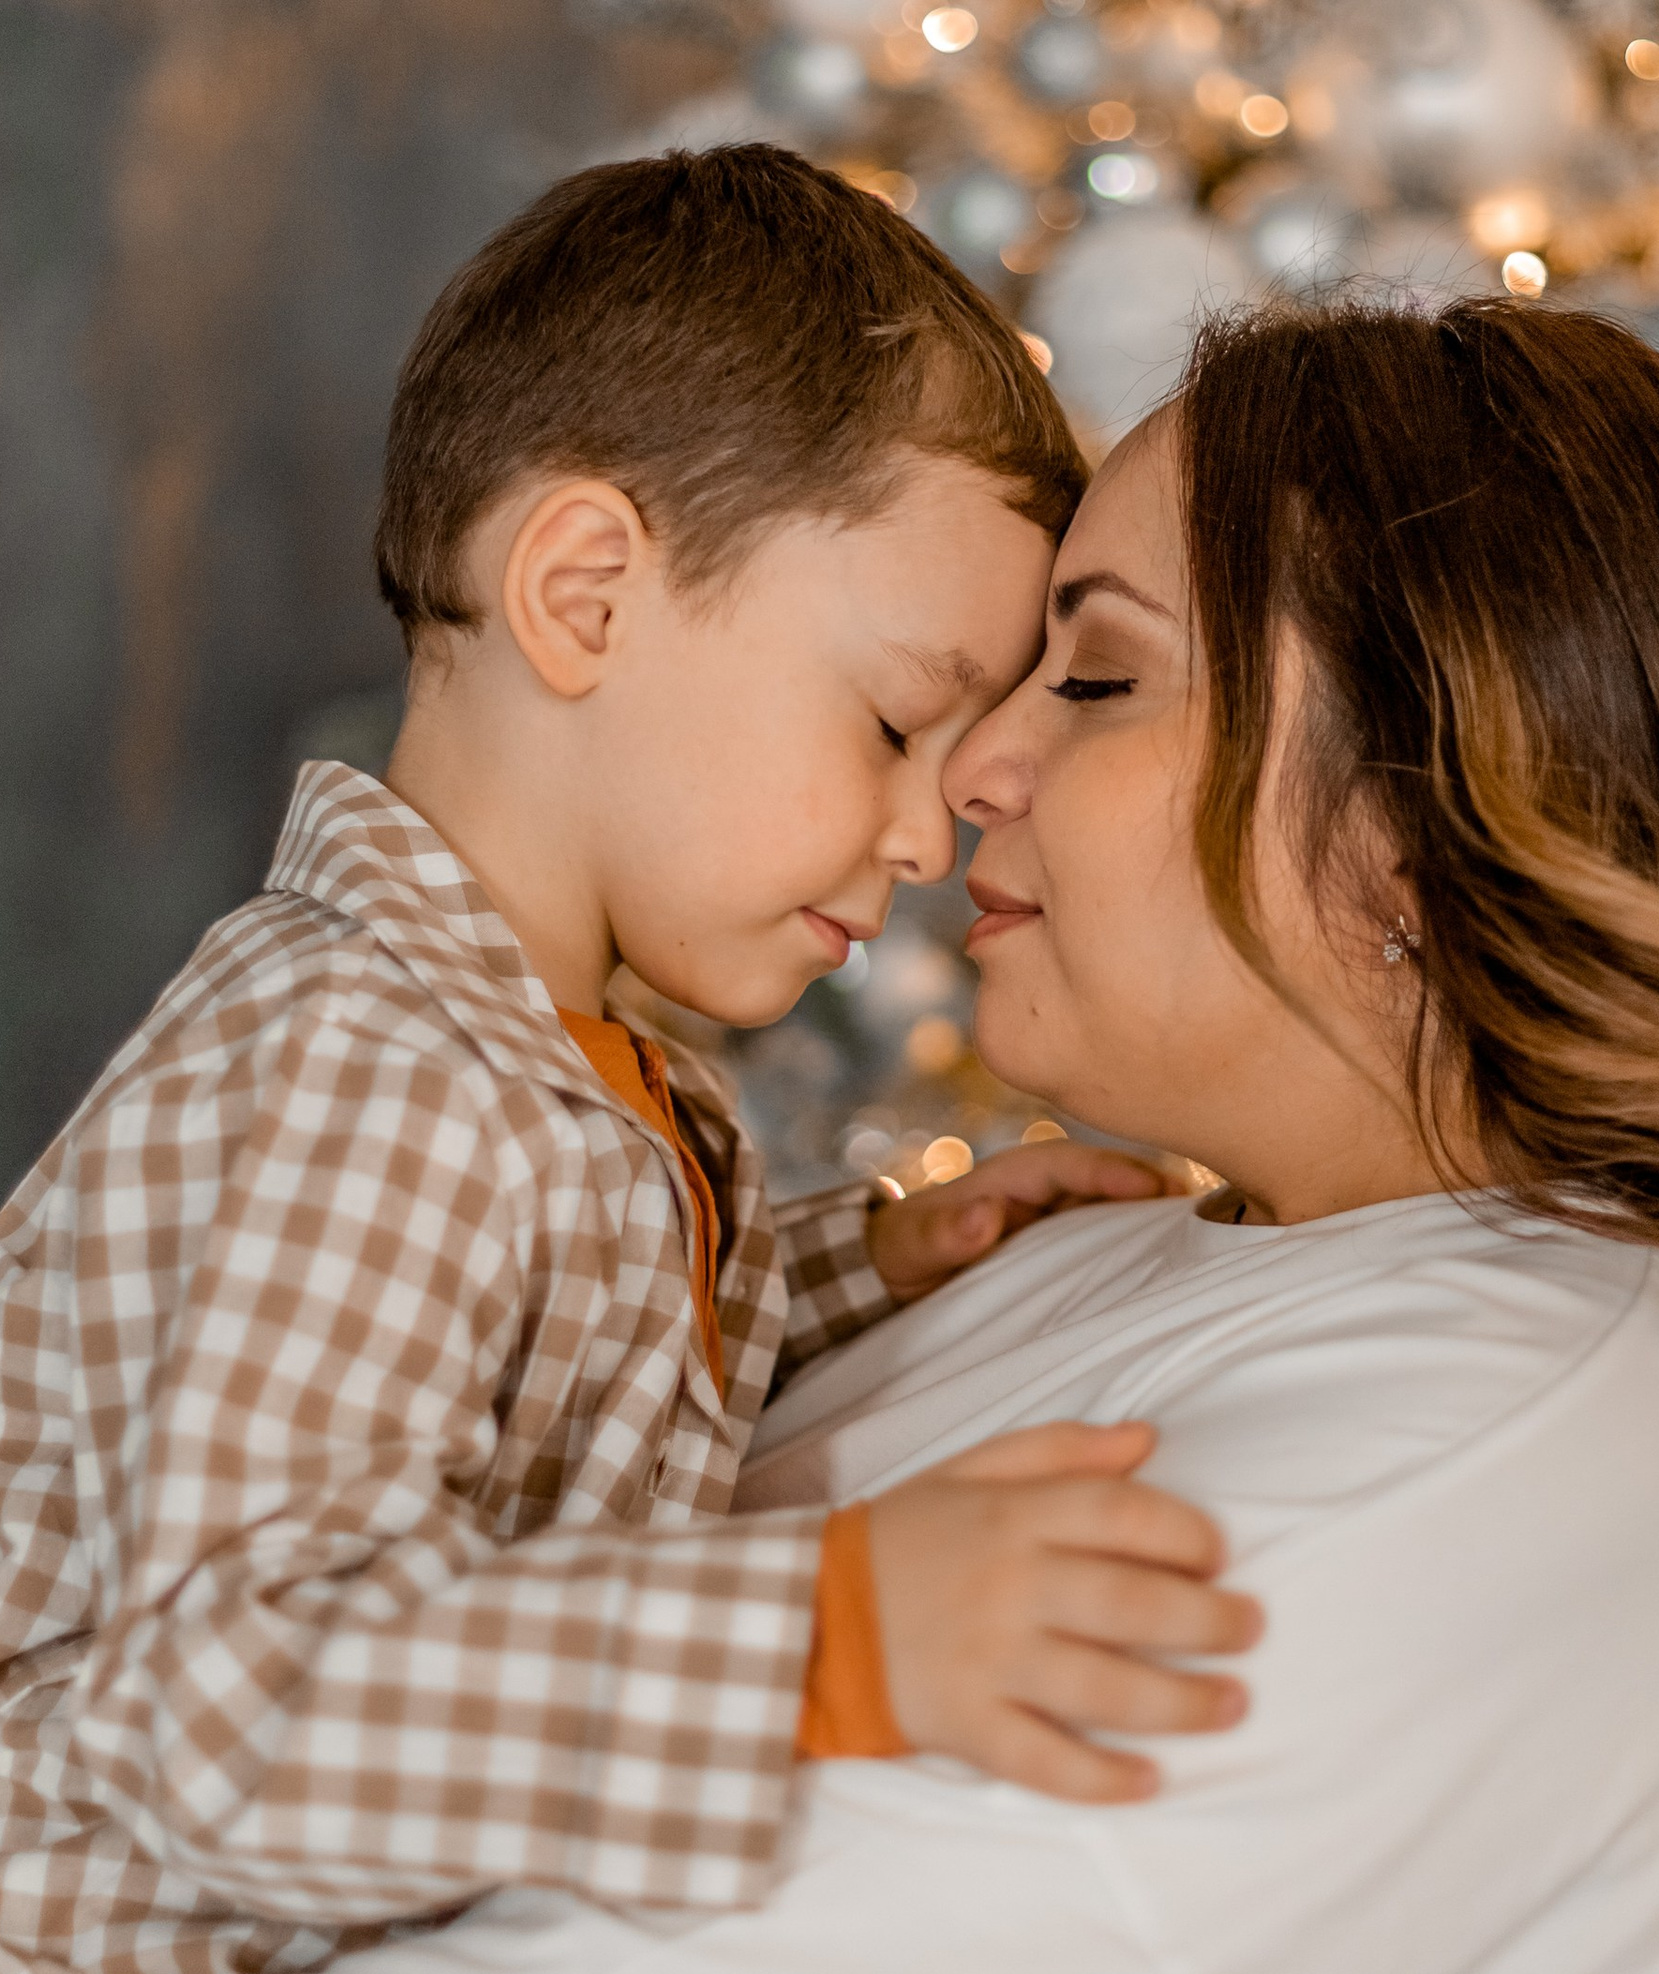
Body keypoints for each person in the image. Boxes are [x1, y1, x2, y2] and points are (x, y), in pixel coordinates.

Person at [341, 297, 1659, 1974]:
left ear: (1425, 812)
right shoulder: (1157, 1253)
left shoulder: (1505, 1437)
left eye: (1103, 675)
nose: (975, 762)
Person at [0, 148, 1266, 1974]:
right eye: (899, 719)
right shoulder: (365, 1074)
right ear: (585, 594)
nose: (935, 835)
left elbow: (525, 1363)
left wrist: (865, 1265)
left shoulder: (542, 1074)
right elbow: (232, 1715)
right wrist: (827, 1637)